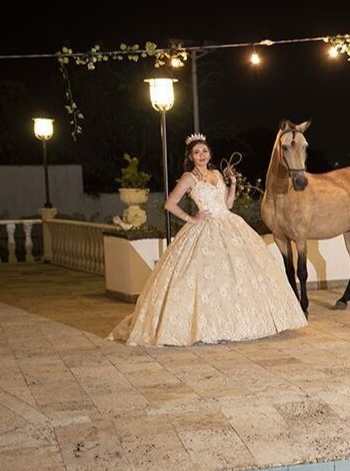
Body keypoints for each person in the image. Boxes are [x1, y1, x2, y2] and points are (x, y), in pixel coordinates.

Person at [109, 133, 307, 346]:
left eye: (204, 151)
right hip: (205, 228)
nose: (201, 155)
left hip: (230, 224)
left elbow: (228, 204)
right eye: (197, 152)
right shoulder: (189, 178)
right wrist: (192, 219)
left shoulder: (216, 174)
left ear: (209, 153)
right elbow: (170, 204)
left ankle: (241, 321)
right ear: (191, 157)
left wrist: (232, 183)